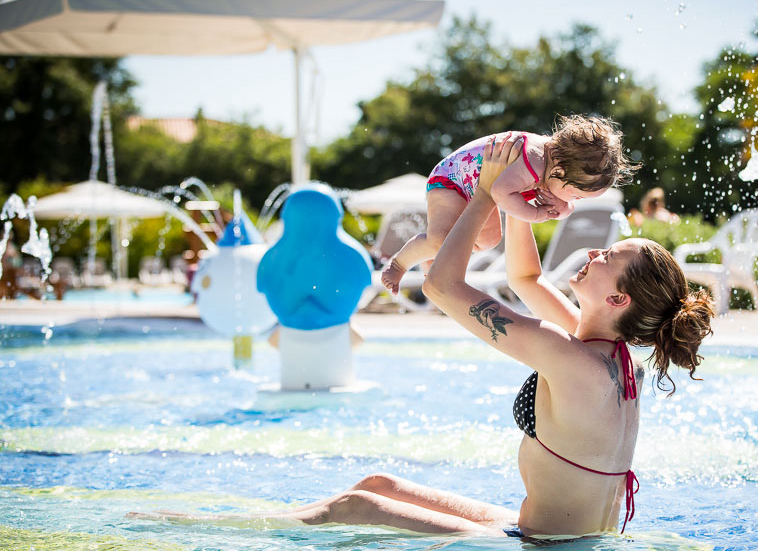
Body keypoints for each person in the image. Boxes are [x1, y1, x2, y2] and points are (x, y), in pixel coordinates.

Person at [128, 135, 714, 540]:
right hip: (547, 532)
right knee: (377, 485)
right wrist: (513, 194)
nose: (593, 251)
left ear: (618, 300)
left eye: (609, 257)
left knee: (353, 507)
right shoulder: (608, 355)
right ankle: (265, 521)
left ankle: (204, 532)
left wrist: (483, 193)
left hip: (544, 548)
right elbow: (524, 278)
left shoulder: (566, 355)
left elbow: (439, 283)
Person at [380, 114, 640, 294]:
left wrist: (561, 208)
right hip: (453, 179)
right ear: (560, 169)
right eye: (577, 195)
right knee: (440, 238)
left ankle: (434, 259)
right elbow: (501, 192)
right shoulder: (534, 159)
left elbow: (560, 208)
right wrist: (535, 214)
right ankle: (400, 263)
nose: (575, 202)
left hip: (479, 189)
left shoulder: (555, 171)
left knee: (489, 240)